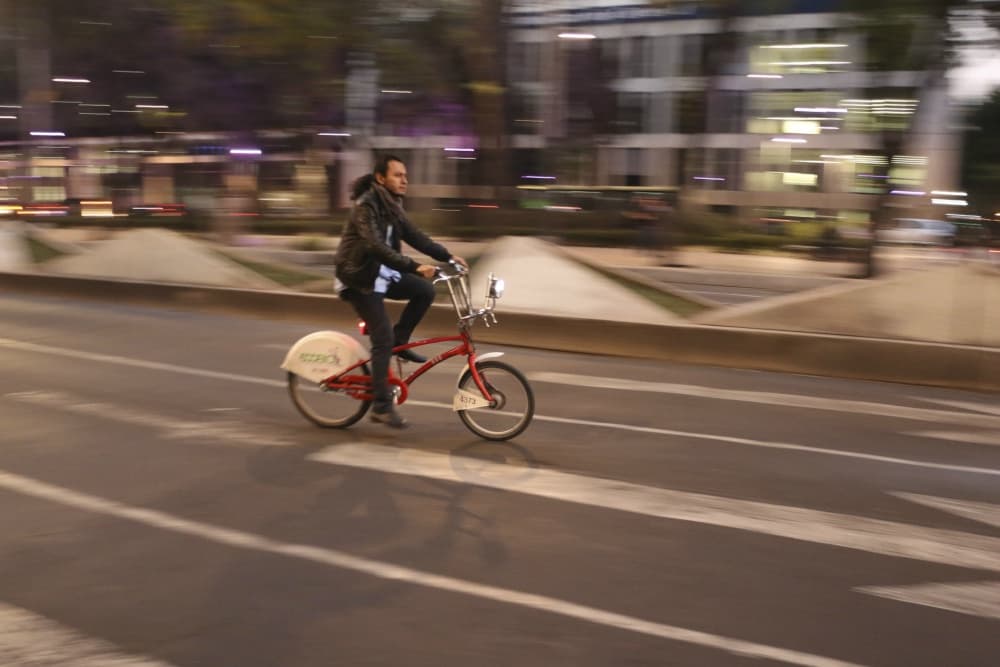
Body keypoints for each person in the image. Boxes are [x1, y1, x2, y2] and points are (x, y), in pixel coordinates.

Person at [334, 154, 468, 428]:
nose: (404, 180)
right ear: (381, 179)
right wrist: (415, 266)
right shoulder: (366, 206)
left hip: (380, 273)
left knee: (424, 292)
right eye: (398, 175)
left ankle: (400, 341)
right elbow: (374, 246)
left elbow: (416, 236)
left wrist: (448, 256)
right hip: (360, 279)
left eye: (405, 175)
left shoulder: (393, 207)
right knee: (381, 339)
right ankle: (381, 407)